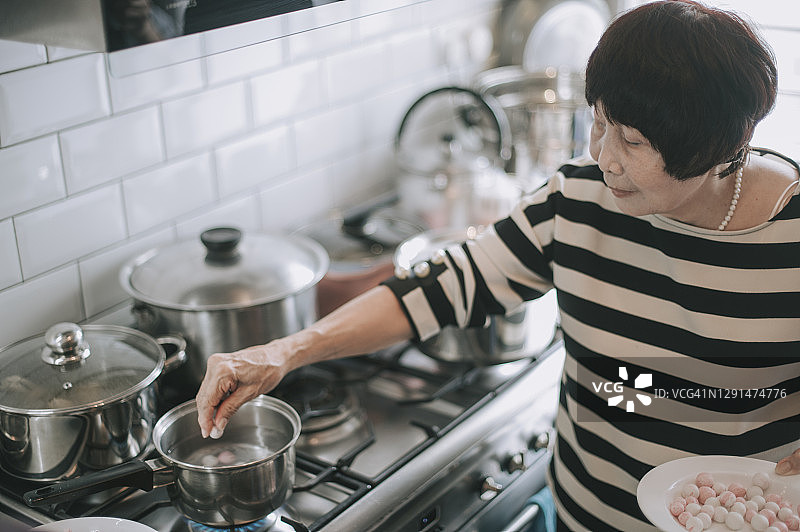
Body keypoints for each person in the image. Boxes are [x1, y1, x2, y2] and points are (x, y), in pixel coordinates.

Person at [195, 1, 800, 530]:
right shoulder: (578, 200)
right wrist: (285, 351)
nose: (603, 156)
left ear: (713, 149)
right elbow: (441, 287)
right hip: (588, 514)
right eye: (600, 120)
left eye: (633, 142)